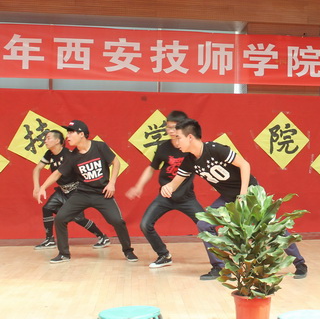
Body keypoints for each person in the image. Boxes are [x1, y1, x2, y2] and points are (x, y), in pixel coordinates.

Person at [160, 118, 308, 280]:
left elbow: (244, 165)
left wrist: (243, 194)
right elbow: (175, 183)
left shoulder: (215, 149)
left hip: (250, 193)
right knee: (204, 224)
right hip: (228, 198)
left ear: (190, 137)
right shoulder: (189, 161)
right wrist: (168, 187)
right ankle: (219, 267)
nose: (176, 142)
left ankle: (300, 263)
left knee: (273, 228)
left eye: (178, 138)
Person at [36, 120, 137, 263]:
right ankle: (63, 254)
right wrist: (42, 187)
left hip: (102, 194)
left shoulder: (99, 146)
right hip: (82, 194)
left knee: (117, 221)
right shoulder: (72, 156)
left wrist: (112, 183)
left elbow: (116, 162)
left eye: (71, 133)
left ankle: (128, 251)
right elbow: (57, 173)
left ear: (81, 134)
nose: (67, 136)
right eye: (67, 133)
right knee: (60, 218)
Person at [126, 111, 204, 268]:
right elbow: (151, 168)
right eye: (168, 127)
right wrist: (138, 186)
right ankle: (163, 255)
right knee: (145, 224)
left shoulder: (190, 148)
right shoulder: (163, 147)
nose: (170, 131)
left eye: (173, 127)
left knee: (206, 226)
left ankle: (221, 260)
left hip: (186, 198)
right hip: (165, 196)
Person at [32, 130, 109, 250]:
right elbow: (37, 169)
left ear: (57, 141)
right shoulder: (49, 154)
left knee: (78, 218)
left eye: (48, 138)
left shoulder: (69, 155)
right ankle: (49, 240)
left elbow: (60, 174)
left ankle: (102, 237)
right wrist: (37, 187)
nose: (45, 141)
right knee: (47, 208)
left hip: (75, 191)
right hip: (62, 191)